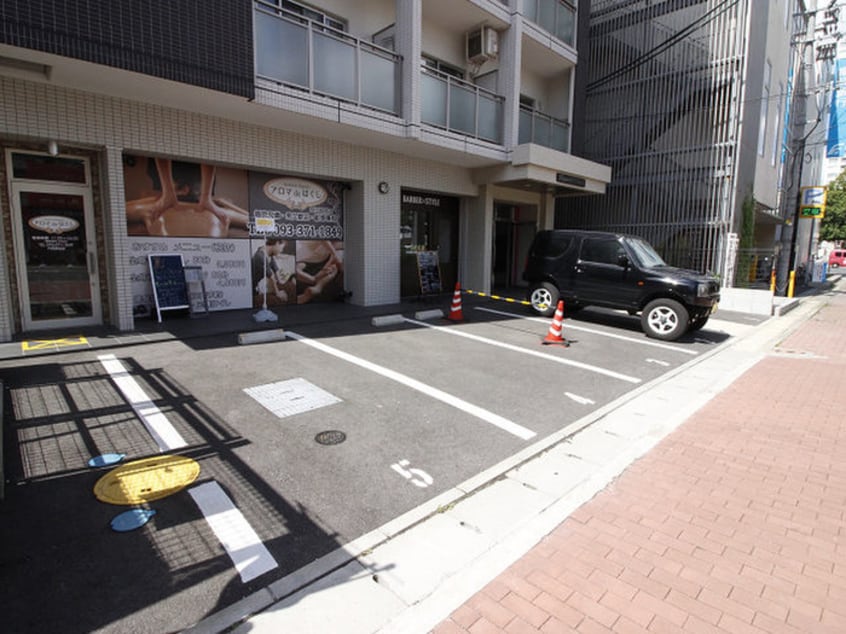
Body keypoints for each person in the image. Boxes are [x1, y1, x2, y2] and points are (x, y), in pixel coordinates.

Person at [252, 238, 295, 305]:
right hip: (251, 291)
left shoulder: (270, 255)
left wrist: (286, 279)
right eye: (282, 248)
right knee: (277, 300)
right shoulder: (260, 256)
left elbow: (277, 272)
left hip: (255, 290)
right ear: (277, 243)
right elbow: (272, 277)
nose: (281, 250)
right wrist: (278, 293)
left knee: (290, 287)